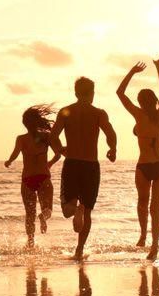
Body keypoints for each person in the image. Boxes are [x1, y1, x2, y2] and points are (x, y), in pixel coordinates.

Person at [48, 77, 117, 261]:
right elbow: (110, 133)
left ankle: (76, 208)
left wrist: (60, 150)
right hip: (91, 165)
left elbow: (53, 136)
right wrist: (112, 149)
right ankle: (79, 250)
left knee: (66, 210)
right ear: (92, 93)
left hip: (72, 163)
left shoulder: (65, 112)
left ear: (76, 93)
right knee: (87, 212)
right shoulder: (99, 113)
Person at [115, 54, 159, 260]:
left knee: (144, 204)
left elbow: (120, 93)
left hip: (146, 165)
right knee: (154, 208)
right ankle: (152, 243)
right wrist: (158, 68)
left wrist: (132, 71)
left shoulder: (139, 115)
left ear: (140, 101)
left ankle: (145, 236)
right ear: (154, 101)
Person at [3, 104, 58, 248]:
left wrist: (9, 161)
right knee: (48, 209)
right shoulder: (46, 136)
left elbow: (15, 153)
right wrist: (49, 163)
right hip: (43, 177)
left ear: (25, 124)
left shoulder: (21, 139)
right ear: (38, 121)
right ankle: (43, 216)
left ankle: (31, 242)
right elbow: (58, 154)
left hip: (27, 179)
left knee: (29, 214)